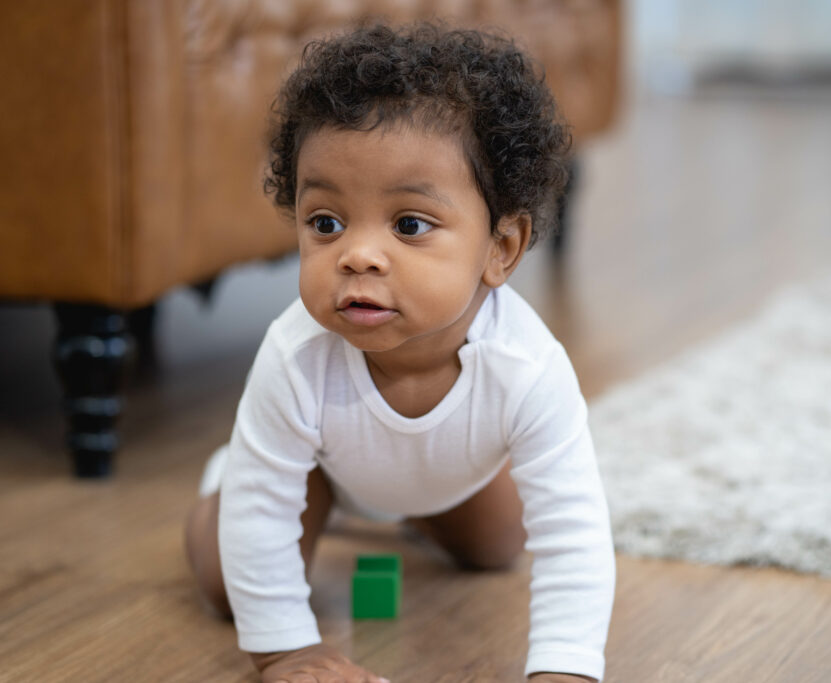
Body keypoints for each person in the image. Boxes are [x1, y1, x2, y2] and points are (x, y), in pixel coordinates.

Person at [183, 23, 615, 683]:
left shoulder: (527, 368)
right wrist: (287, 651)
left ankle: (418, 502)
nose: (356, 254)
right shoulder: (295, 355)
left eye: (409, 224)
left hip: (452, 473)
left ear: (500, 248)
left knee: (501, 545)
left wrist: (565, 670)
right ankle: (226, 473)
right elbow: (264, 511)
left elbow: (576, 535)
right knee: (224, 577)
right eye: (325, 223)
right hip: (320, 469)